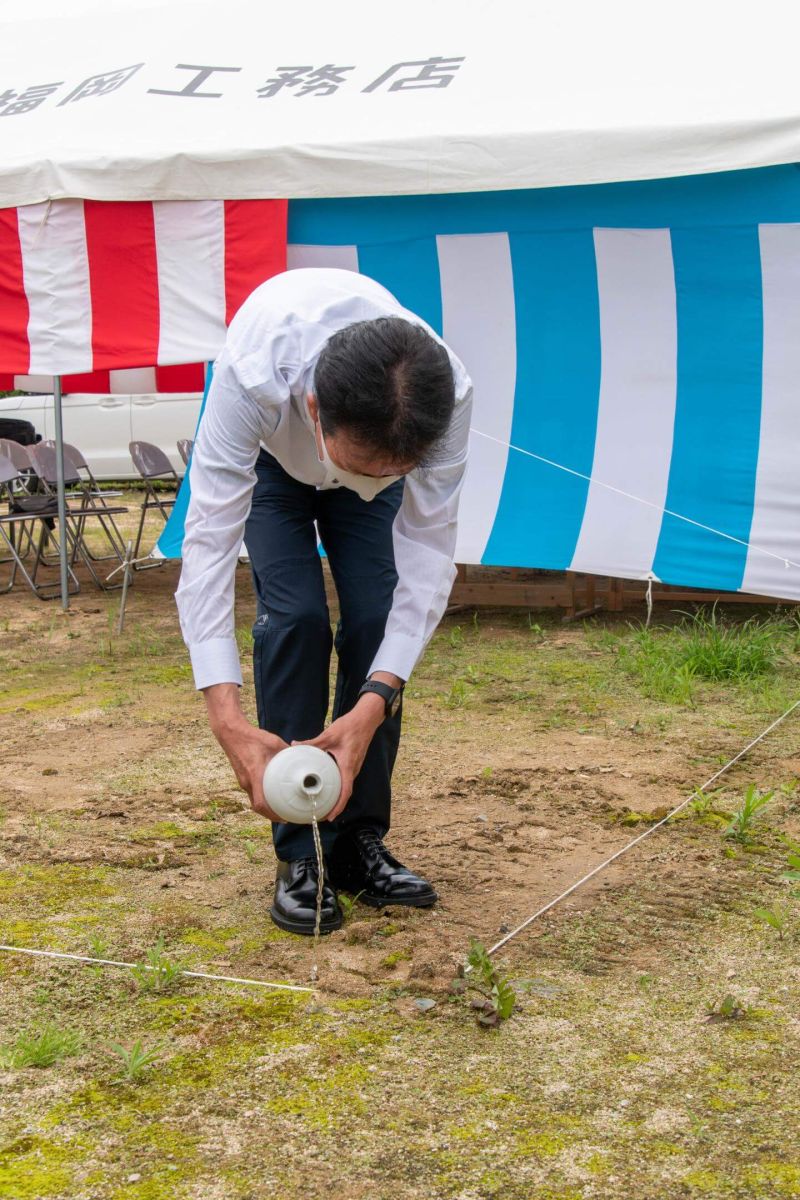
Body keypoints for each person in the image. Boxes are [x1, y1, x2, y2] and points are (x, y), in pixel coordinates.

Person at [176, 268, 472, 935]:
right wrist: (225, 717)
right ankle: (300, 854)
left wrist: (374, 702)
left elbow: (427, 560)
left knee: (375, 617)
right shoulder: (251, 377)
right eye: (362, 469)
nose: (373, 485)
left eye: (392, 472)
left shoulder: (443, 395)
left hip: (375, 441)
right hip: (274, 471)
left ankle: (358, 842)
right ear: (314, 409)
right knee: (297, 618)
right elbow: (209, 550)